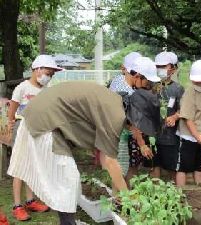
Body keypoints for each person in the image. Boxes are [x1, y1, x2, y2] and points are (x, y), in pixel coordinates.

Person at [7, 81, 128, 224]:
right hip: (44, 122)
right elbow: (109, 162)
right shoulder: (116, 115)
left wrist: (118, 194)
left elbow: (105, 159)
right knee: (68, 178)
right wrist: (128, 197)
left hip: (44, 117)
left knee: (67, 181)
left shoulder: (111, 101)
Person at [7, 54, 62, 221]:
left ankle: (30, 201)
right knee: (19, 166)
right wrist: (9, 126)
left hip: (38, 131)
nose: (49, 77)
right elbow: (13, 108)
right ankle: (17, 205)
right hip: (21, 130)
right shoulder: (22, 88)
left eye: (51, 75)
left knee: (32, 165)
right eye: (48, 72)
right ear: (37, 69)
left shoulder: (44, 90)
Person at [125, 56, 162, 183]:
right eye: (147, 80)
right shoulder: (131, 93)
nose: (148, 83)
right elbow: (134, 122)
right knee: (132, 168)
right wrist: (142, 144)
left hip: (143, 136)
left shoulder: (137, 91)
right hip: (136, 138)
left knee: (149, 165)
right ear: (138, 76)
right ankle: (125, 197)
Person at [109, 52, 142, 179]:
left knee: (123, 165)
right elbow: (130, 121)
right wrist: (141, 142)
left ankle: (123, 193)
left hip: (118, 132)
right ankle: (121, 195)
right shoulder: (127, 91)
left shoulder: (118, 80)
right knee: (122, 167)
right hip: (121, 134)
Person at [154, 51, 184, 181]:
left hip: (170, 136)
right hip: (153, 134)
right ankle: (154, 192)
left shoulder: (178, 89)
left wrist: (174, 117)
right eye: (158, 66)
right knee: (155, 165)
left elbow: (183, 109)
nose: (160, 69)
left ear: (173, 69)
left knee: (172, 166)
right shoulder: (150, 86)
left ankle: (174, 192)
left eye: (164, 66)